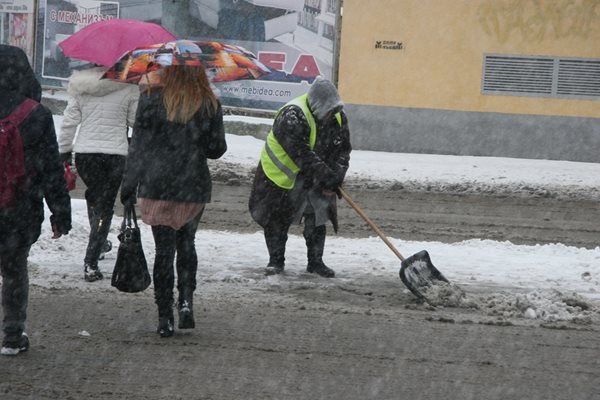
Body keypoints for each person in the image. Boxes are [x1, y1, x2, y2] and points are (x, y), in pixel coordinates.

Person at [119, 65, 227, 338]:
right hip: (192, 184)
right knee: (187, 243)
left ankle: (164, 315)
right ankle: (186, 301)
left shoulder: (151, 97)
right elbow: (217, 150)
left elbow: (138, 147)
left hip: (158, 185)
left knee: (164, 251)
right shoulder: (208, 102)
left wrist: (129, 185)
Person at [0, 45, 71, 356]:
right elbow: (51, 169)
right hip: (19, 207)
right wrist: (60, 212)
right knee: (14, 270)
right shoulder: (36, 114)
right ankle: (13, 335)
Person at [249, 77, 351, 278]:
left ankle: (315, 262)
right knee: (277, 220)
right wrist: (327, 177)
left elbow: (343, 151)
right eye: (329, 110)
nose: (333, 114)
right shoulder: (292, 115)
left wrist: (337, 176)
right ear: (317, 106)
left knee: (318, 217)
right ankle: (275, 262)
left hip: (317, 176)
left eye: (335, 110)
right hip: (281, 177)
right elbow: (301, 154)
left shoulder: (339, 117)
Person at [58, 65, 139, 282]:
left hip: (86, 155)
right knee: (105, 206)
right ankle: (91, 261)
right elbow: (135, 122)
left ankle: (99, 241)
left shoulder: (81, 87)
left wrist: (64, 150)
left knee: (95, 196)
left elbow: (69, 122)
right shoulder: (129, 88)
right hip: (115, 156)